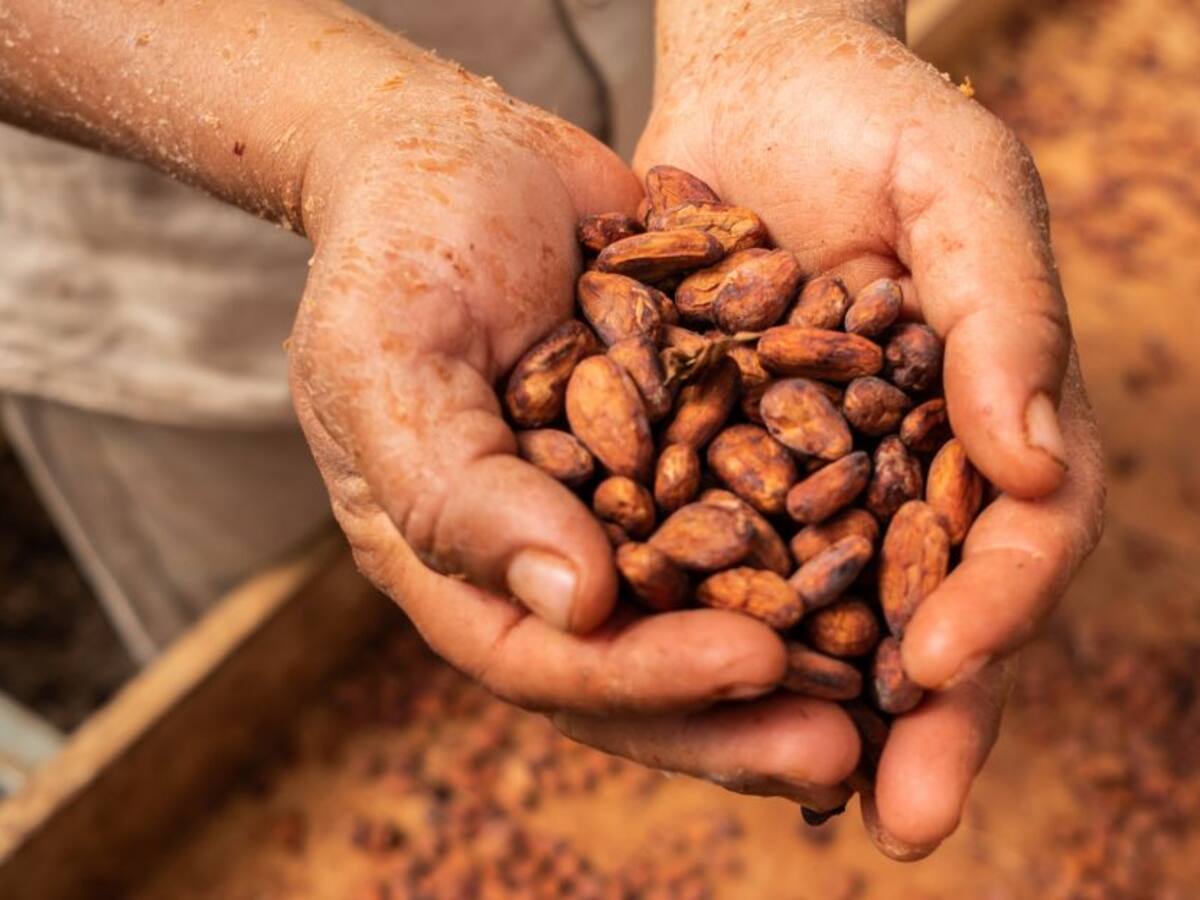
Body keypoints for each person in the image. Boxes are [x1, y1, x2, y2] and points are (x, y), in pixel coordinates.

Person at [0, 0, 1105, 860]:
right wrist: (347, 135)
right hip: (174, 243)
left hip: (648, 73)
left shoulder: (720, 378)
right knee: (251, 681)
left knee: (547, 571)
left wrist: (783, 25)